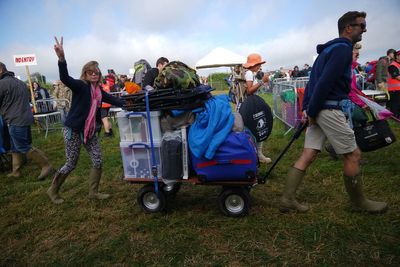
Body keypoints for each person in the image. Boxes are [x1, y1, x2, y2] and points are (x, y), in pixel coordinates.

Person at [279, 11, 388, 214]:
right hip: (328, 109)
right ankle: (360, 203)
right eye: (362, 25)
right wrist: (310, 111)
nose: (365, 29)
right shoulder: (343, 50)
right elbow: (324, 83)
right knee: (353, 155)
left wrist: (307, 109)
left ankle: (287, 199)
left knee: (309, 154)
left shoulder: (328, 50)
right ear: (348, 28)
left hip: (319, 109)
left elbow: (313, 83)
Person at [47, 36, 124, 204]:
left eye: (97, 72)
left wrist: (133, 102)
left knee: (97, 159)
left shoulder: (98, 91)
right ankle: (53, 190)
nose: (95, 75)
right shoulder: (81, 86)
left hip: (89, 131)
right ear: (86, 74)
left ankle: (93, 192)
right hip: (73, 130)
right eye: (91, 72)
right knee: (71, 163)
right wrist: (61, 59)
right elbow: (66, 78)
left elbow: (114, 100)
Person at [0, 62, 53, 180]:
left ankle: (46, 165)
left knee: (23, 146)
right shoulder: (20, 83)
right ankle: (16, 171)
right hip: (25, 117)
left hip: (15, 119)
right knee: (15, 147)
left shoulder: (2, 84)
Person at [242, 53, 272, 164]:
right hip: (250, 106)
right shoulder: (249, 73)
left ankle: (254, 154)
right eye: (259, 64)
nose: (260, 66)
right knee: (257, 128)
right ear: (253, 64)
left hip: (249, 105)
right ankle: (257, 155)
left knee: (254, 128)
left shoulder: (249, 73)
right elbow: (249, 91)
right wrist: (261, 81)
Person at [387, 50, 400, 118]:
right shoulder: (393, 65)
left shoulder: (398, 64)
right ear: (397, 56)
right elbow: (397, 76)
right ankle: (394, 118)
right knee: (395, 105)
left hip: (398, 89)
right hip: (394, 90)